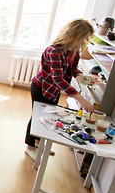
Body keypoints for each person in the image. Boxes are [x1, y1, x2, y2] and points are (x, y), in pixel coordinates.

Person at [24, 19, 95, 160]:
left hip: (54, 90)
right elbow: (58, 79)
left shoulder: (74, 49)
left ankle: (38, 143)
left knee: (48, 117)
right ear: (74, 35)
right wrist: (82, 100)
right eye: (83, 38)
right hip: (41, 87)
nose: (84, 41)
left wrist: (80, 75)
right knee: (37, 117)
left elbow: (73, 68)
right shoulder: (54, 51)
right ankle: (30, 146)